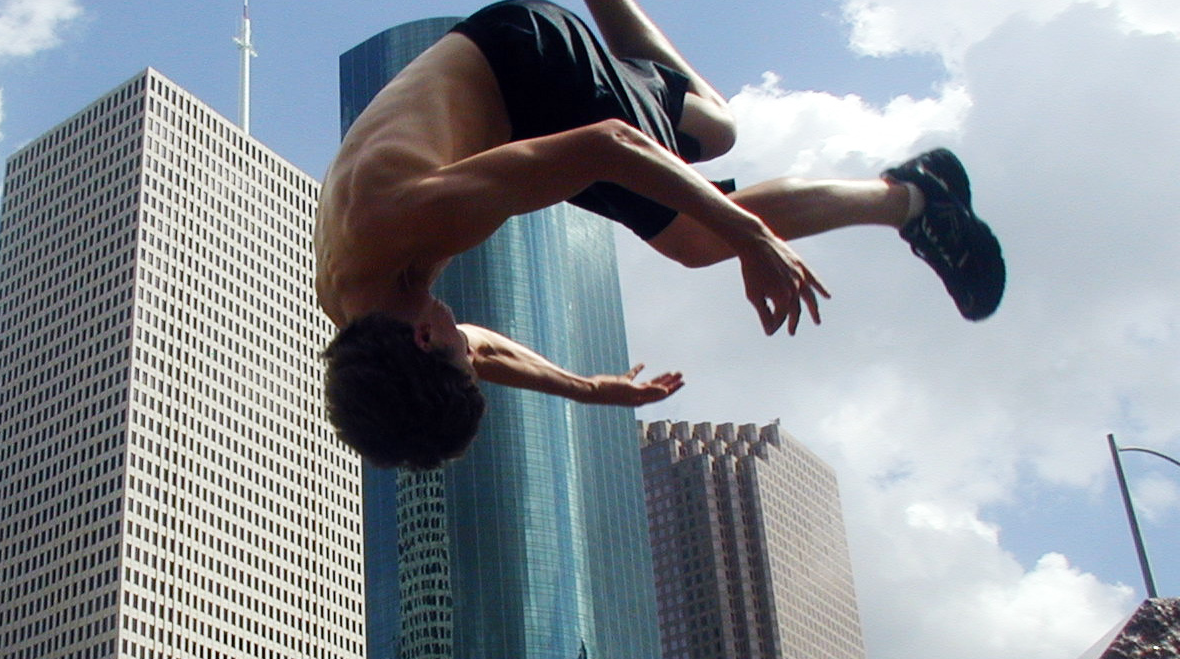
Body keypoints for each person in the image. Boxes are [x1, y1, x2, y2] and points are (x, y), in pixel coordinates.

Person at [316, 0, 1003, 470]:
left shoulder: (406, 219)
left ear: (424, 338)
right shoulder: (361, 309)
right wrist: (587, 390)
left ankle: (915, 200)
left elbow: (610, 144)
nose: (470, 345)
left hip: (526, 66)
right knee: (713, 131)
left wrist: (752, 238)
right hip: (505, 91)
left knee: (697, 239)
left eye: (458, 354)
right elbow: (480, 351)